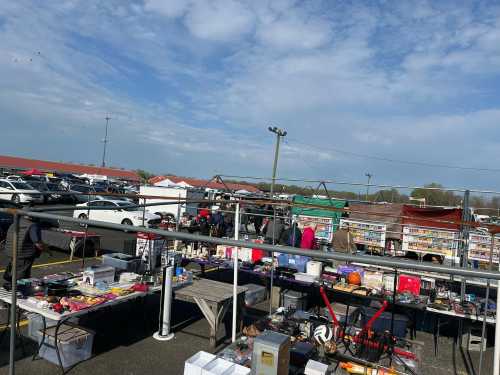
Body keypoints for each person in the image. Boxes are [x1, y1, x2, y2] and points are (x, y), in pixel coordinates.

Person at [3, 216, 45, 290]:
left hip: (11, 251)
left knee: (15, 269)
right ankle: (17, 292)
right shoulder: (32, 225)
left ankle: (11, 285)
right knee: (22, 275)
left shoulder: (15, 223)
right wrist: (47, 249)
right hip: (24, 253)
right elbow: (37, 242)